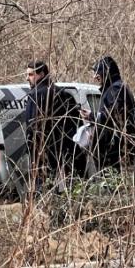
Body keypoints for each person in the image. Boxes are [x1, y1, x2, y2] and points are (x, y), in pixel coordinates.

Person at [24, 61, 81, 190]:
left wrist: (32, 148)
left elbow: (31, 126)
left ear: (42, 74)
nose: (27, 78)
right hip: (61, 150)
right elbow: (73, 123)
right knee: (61, 186)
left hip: (41, 150)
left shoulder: (35, 95)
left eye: (31, 75)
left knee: (42, 187)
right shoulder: (63, 93)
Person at [81, 56, 135, 172]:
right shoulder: (111, 89)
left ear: (106, 72)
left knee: (111, 182)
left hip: (114, 149)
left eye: (98, 73)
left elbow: (113, 115)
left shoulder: (116, 89)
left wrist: (92, 116)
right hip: (111, 149)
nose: (95, 77)